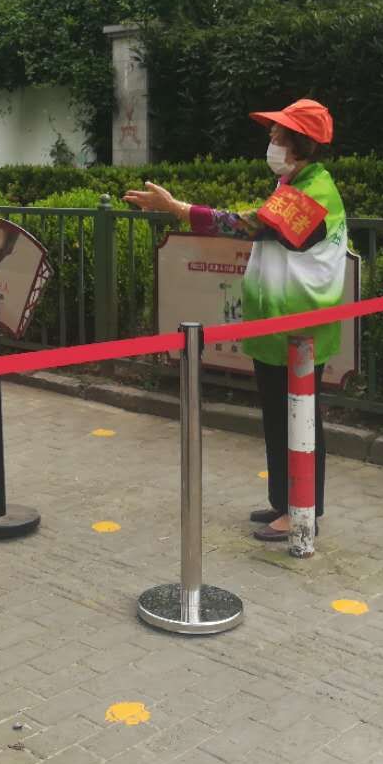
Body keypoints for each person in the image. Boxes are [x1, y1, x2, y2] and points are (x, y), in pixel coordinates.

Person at [124, 98, 346, 543]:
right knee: (278, 418)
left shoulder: (314, 193)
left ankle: (303, 511)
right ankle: (283, 502)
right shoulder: (292, 184)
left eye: (278, 134)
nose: (271, 140)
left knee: (299, 421)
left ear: (300, 143)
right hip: (276, 327)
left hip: (297, 330)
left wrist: (178, 209)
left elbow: (248, 226)